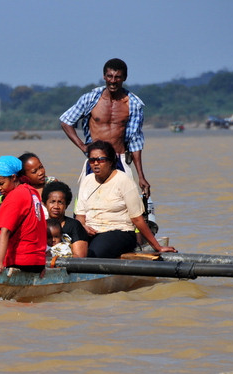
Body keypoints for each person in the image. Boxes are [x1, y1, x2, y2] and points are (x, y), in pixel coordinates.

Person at [60, 58, 151, 197]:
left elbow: (135, 141)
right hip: (95, 159)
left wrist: (141, 176)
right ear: (104, 76)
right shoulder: (90, 99)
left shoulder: (133, 104)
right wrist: (83, 147)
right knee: (88, 202)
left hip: (119, 159)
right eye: (110, 76)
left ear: (124, 78)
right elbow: (66, 121)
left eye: (117, 77)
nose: (113, 81)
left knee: (123, 202)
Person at [74, 140, 176, 258]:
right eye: (92, 160)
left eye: (101, 160)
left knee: (91, 255)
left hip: (119, 232)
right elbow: (80, 215)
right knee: (66, 250)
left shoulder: (123, 180)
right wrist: (83, 227)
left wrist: (157, 247)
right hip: (91, 232)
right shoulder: (87, 180)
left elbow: (137, 219)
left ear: (111, 161)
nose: (96, 163)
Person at [0, 156, 47, 274]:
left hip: (20, 260)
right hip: (37, 261)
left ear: (14, 177)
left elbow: (5, 230)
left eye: (1, 183)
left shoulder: (16, 195)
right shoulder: (32, 191)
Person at [42, 180, 89, 258]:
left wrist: (55, 256)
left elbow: (79, 257)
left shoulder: (74, 226)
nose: (56, 206)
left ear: (66, 205)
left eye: (60, 202)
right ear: (45, 204)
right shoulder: (40, 225)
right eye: (52, 202)